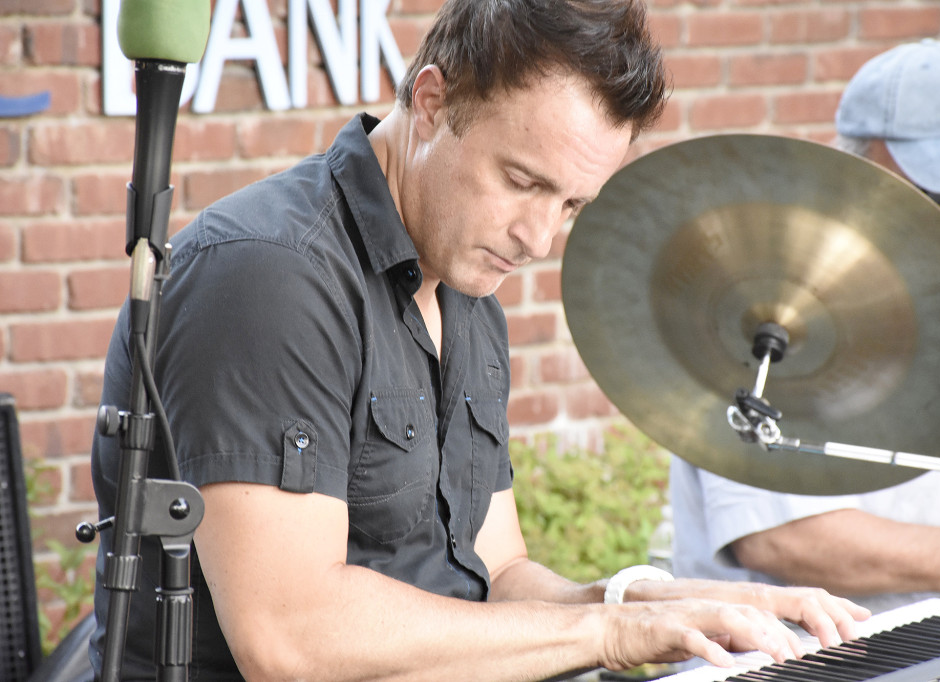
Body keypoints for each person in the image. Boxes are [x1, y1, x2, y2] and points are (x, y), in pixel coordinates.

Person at [88, 1, 869, 680]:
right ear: (432, 101)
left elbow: (497, 576)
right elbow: (290, 638)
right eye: (524, 182)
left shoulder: (465, 286)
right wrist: (611, 633)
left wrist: (670, 602)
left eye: (571, 205)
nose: (538, 237)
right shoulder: (270, 276)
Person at [670, 39, 940, 617]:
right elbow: (783, 537)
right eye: (938, 184)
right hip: (817, 658)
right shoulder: (770, 317)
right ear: (852, 172)